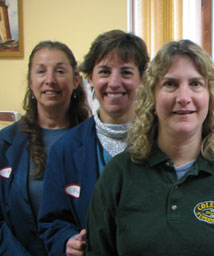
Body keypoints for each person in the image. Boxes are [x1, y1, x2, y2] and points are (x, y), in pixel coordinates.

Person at [85, 39, 214, 255]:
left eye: (195, 84)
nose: (183, 98)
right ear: (152, 99)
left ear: (210, 98)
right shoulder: (118, 175)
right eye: (170, 84)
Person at [38, 30, 149, 256]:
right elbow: (52, 222)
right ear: (90, 77)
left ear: (143, 79)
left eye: (126, 72)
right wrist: (67, 241)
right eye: (104, 72)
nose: (114, 83)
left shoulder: (163, 143)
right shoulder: (65, 150)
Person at [0, 41, 90, 256]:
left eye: (60, 71)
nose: (50, 80)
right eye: (41, 72)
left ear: (76, 80)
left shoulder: (93, 140)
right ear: (31, 81)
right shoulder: (5, 143)